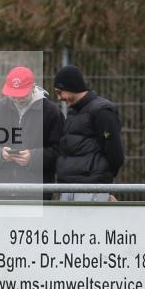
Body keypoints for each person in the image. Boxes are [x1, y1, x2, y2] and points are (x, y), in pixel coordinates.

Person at [0, 66, 63, 201]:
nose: (17, 99)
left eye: (22, 95)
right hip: (3, 195)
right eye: (13, 95)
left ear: (33, 87)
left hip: (38, 196)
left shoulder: (52, 112)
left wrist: (33, 157)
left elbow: (61, 151)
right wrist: (0, 155)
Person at [54, 65, 124, 201]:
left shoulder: (102, 111)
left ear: (71, 87)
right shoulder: (74, 112)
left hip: (91, 190)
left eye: (59, 92)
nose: (58, 97)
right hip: (69, 190)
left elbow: (115, 154)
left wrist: (102, 181)